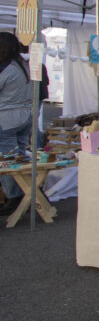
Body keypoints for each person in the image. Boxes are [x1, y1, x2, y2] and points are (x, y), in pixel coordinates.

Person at [0, 32, 33, 211]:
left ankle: (14, 197)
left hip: (7, 118)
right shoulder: (24, 65)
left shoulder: (7, 68)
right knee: (19, 157)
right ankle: (27, 192)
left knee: (7, 160)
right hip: (24, 116)